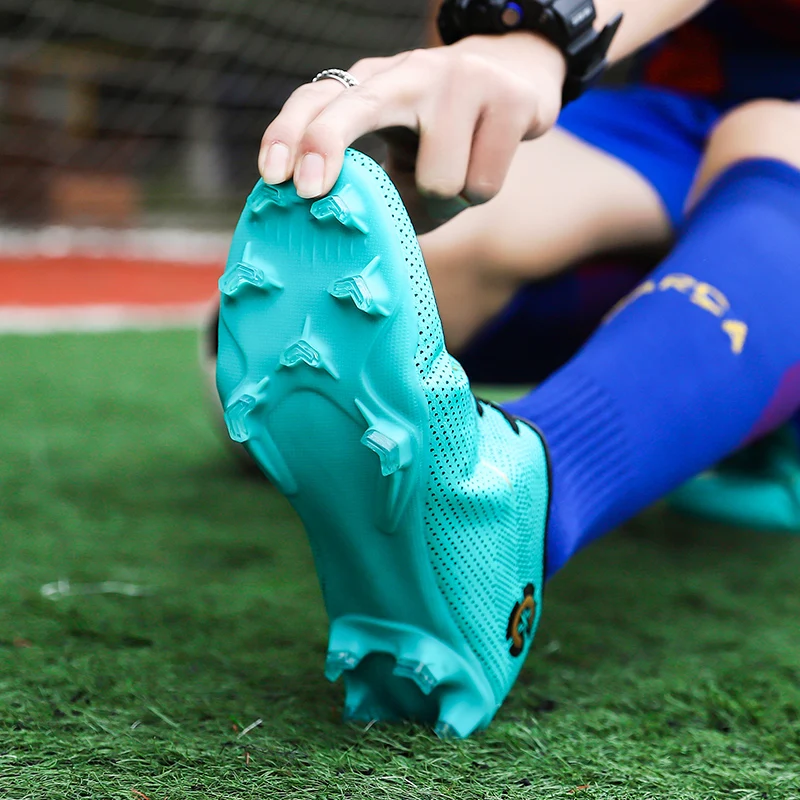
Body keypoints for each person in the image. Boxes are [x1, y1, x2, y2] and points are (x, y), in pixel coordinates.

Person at [214, 0, 800, 737]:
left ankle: (517, 495)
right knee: (437, 254)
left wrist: (541, 33)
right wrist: (470, 67)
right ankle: (714, 337)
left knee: (774, 133)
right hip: (673, 118)